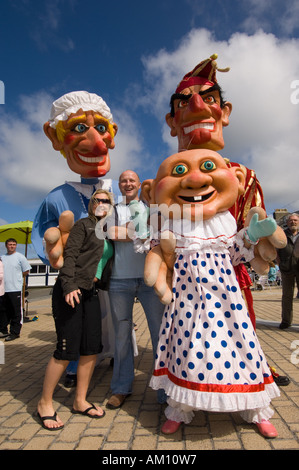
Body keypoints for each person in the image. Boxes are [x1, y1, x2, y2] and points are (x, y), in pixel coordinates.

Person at [149, 53, 289, 385]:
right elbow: (159, 223)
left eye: (209, 99)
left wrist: (260, 238)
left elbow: (253, 224)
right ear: (172, 121)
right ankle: (189, 379)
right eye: (184, 103)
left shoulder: (242, 174)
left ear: (224, 113)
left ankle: (253, 371)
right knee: (187, 326)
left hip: (230, 266)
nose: (197, 106)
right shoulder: (167, 179)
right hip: (184, 268)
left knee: (242, 320)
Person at [142, 149, 280, 439]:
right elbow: (161, 256)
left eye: (206, 167)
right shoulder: (169, 224)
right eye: (179, 172)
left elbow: (235, 255)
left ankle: (254, 409)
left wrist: (250, 239)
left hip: (226, 300)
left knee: (240, 347)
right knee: (186, 349)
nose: (194, 179)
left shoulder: (225, 222)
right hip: (186, 301)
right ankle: (180, 410)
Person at [31, 91, 121, 387]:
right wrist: (52, 254)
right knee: (76, 322)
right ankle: (72, 366)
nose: (95, 141)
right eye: (79, 127)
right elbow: (42, 234)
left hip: (109, 275)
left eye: (101, 129)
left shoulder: (115, 193)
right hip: (77, 277)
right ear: (55, 137)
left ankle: (112, 356)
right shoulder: (57, 196)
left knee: (111, 321)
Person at [36, 190, 114, 430]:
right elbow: (70, 255)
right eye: (97, 200)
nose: (101, 204)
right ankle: (44, 403)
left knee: (91, 348)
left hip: (91, 292)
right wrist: (69, 285)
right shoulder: (83, 225)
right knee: (66, 348)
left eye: (106, 201)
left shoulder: (108, 232)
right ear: (91, 205)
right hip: (71, 289)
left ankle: (80, 401)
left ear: (111, 207)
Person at [104, 170, 165, 409]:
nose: (127, 183)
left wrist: (130, 231)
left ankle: (164, 390)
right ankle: (121, 388)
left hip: (150, 281)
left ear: (139, 184)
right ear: (119, 185)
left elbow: (157, 232)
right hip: (119, 281)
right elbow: (110, 233)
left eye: (132, 180)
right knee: (121, 337)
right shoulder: (112, 209)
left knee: (159, 334)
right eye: (123, 180)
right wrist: (141, 230)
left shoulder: (152, 207)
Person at [0, 239, 31, 342]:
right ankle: (3, 330)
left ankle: (15, 332)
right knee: (3, 311)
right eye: (10, 244)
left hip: (15, 288)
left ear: (16, 246)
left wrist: (17, 277)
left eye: (14, 244)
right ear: (6, 246)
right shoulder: (2, 258)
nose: (12, 246)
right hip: (4, 289)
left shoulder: (20, 257)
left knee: (16, 311)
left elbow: (26, 270)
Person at [277, 213, 299, 329]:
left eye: (295, 220)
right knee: (287, 296)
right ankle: (286, 321)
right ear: (287, 223)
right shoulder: (282, 234)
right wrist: (280, 263)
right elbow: (276, 251)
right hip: (286, 269)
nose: (293, 222)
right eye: (291, 221)